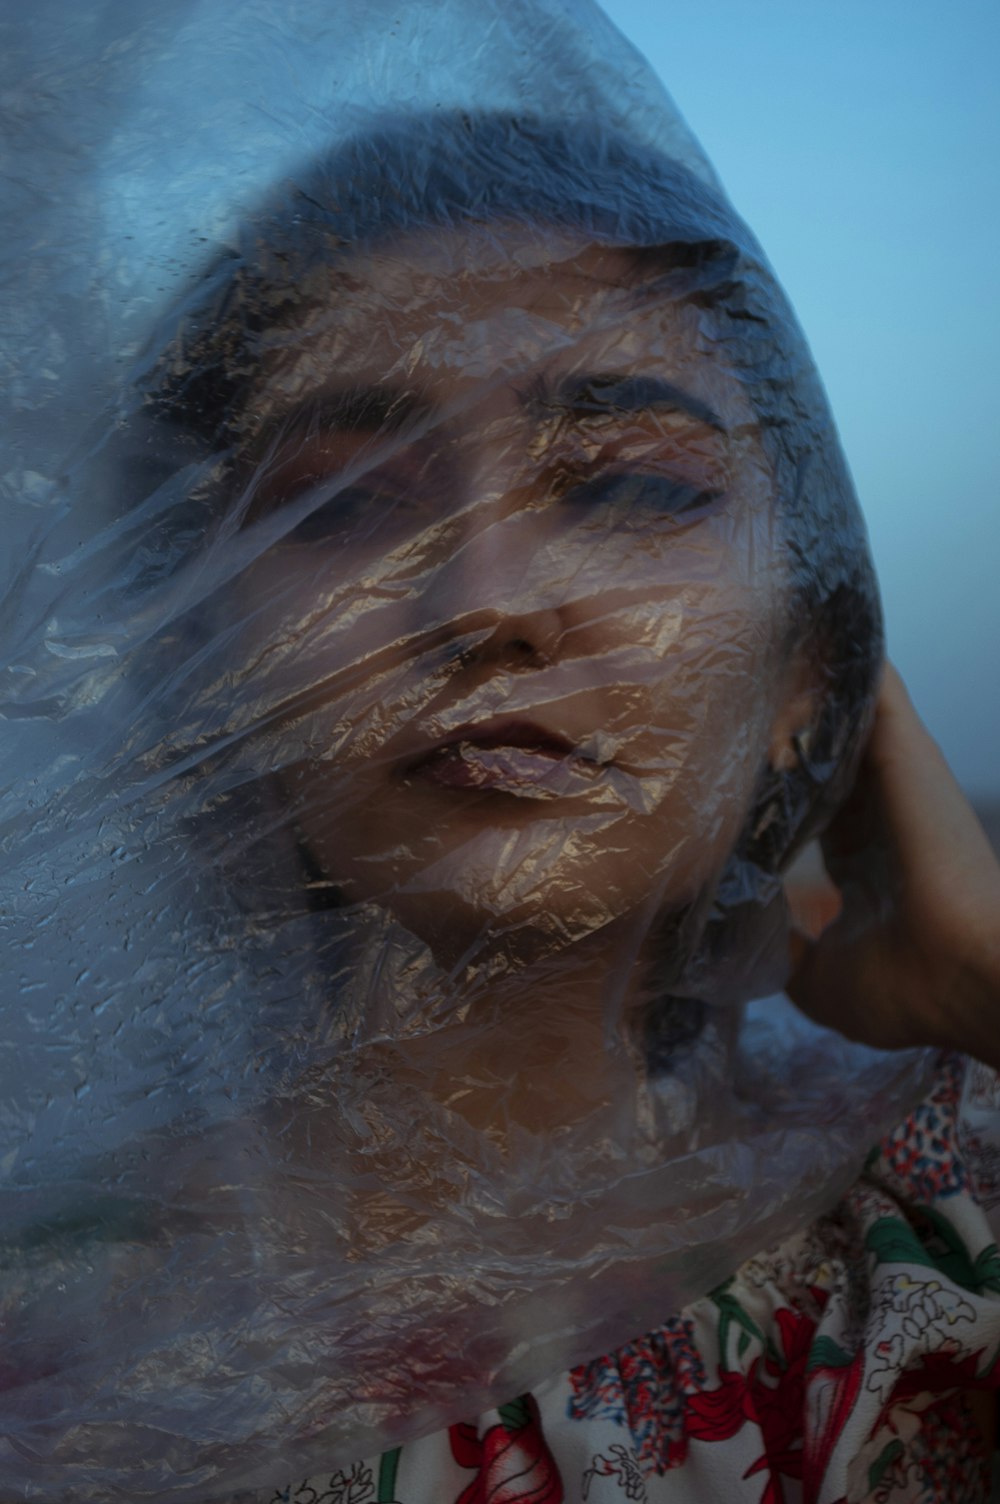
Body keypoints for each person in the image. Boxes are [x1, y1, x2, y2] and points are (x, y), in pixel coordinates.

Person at [137, 112, 1000, 1499]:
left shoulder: (954, 1226)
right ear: (199, 657)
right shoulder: (60, 1335)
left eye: (636, 484)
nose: (485, 602)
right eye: (343, 505)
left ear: (809, 674)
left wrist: (982, 981)